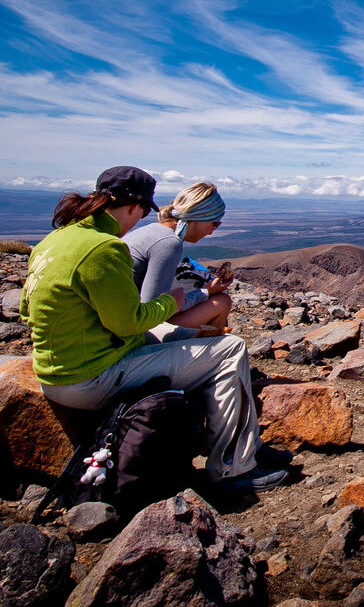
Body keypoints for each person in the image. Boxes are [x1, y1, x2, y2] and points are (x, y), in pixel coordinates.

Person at [20, 166, 287, 492]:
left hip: (55, 371)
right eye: (214, 223)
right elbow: (135, 319)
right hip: (91, 376)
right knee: (228, 349)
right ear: (135, 207)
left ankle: (243, 443)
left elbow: (26, 309)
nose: (142, 219)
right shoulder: (104, 248)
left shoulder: (57, 240)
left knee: (196, 345)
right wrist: (175, 301)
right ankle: (234, 468)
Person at [125, 182, 232, 340]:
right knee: (222, 302)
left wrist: (208, 290)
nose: (211, 231)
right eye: (214, 223)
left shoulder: (153, 231)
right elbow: (152, 308)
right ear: (197, 217)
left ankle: (206, 343)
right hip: (133, 332)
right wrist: (205, 292)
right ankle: (205, 353)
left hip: (123, 320)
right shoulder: (168, 243)